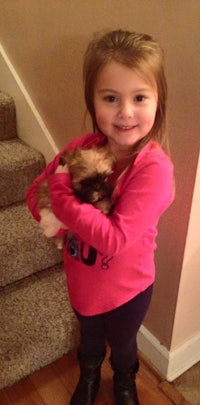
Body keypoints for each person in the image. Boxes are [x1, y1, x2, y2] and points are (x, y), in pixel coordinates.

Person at [27, 29, 174, 405]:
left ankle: (124, 380)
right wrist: (57, 199)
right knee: (89, 338)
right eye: (111, 98)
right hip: (81, 278)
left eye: (139, 97)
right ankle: (89, 373)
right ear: (93, 102)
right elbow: (33, 197)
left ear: (159, 102)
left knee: (124, 343)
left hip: (129, 290)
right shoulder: (82, 148)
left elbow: (113, 239)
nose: (125, 112)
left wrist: (61, 193)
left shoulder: (153, 170)